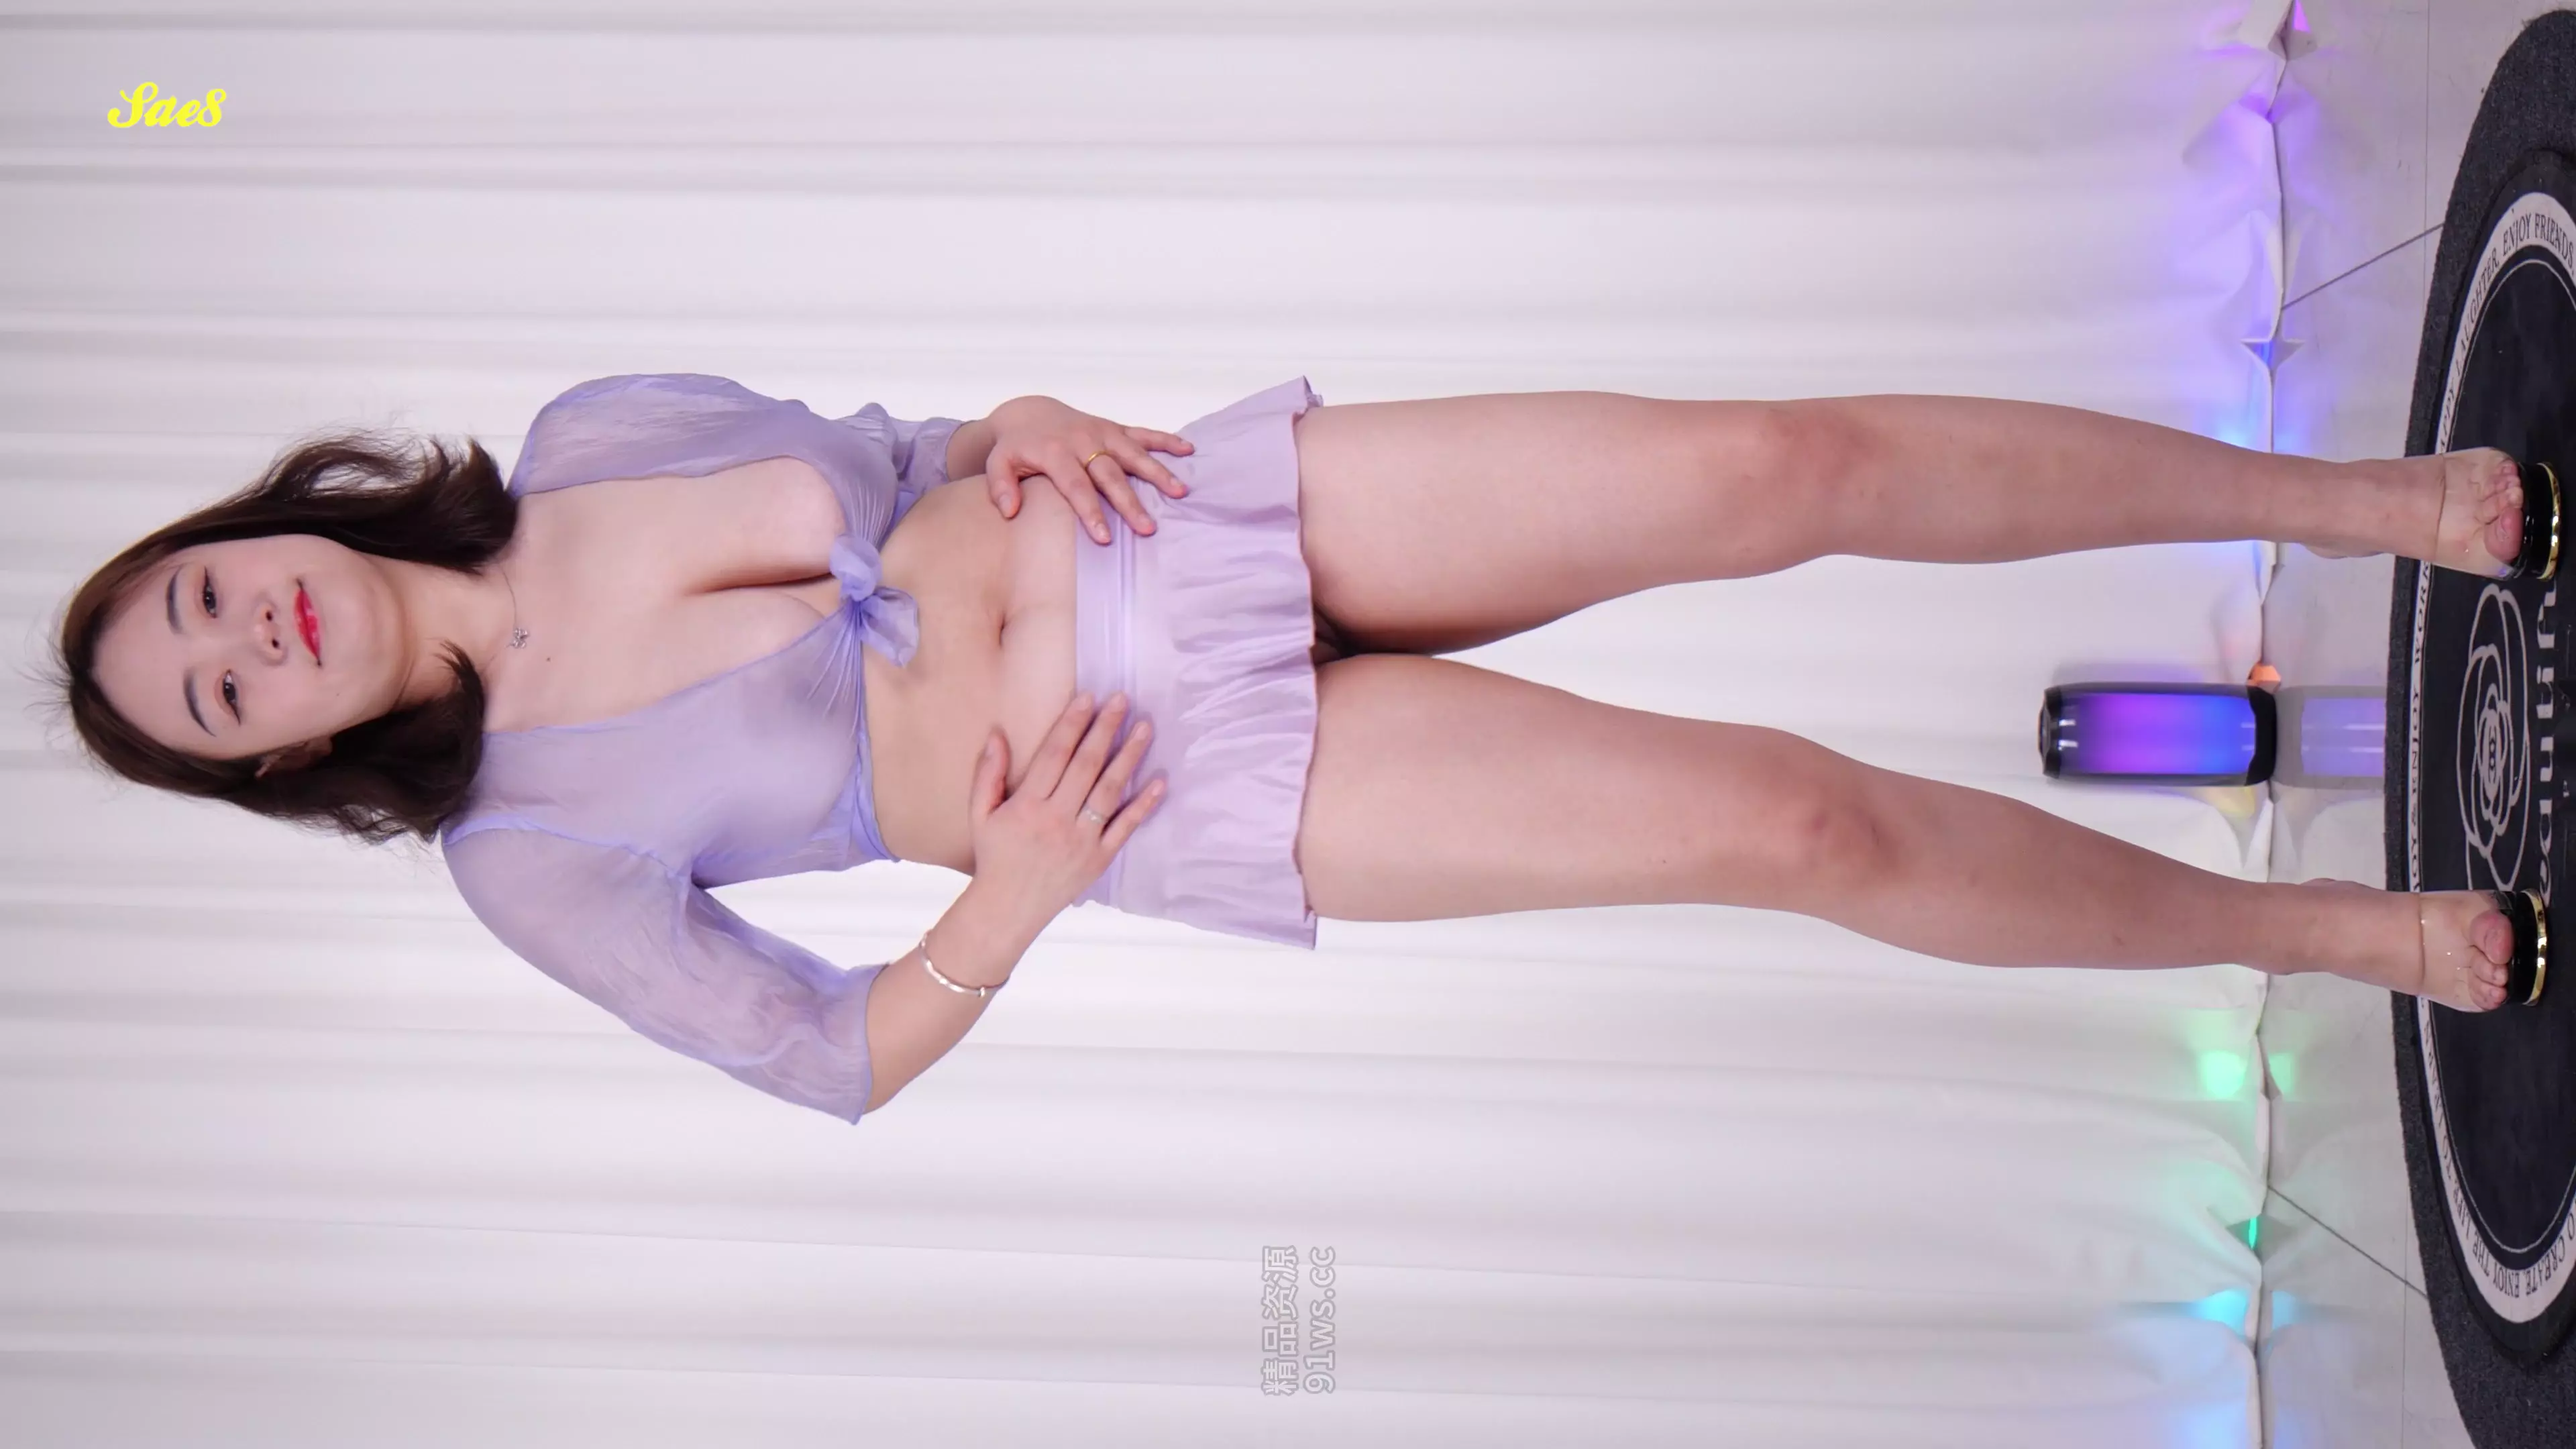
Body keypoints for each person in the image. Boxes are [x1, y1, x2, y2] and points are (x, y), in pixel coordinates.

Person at [49, 372, 2551, 1125]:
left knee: (1773, 468)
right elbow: (823, 1056)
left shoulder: (591, 429)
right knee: (1785, 822)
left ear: (246, 525)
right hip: (1174, 773)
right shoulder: (522, 857)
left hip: (1187, 515)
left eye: (203, 600)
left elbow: (893, 440)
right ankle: (2321, 931)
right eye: (220, 696)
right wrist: (1012, 904)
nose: (248, 637)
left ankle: (2356, 502)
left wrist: (1009, 416)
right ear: (278, 763)